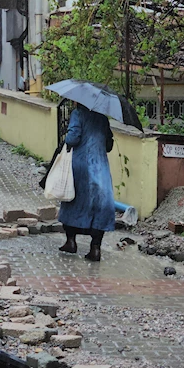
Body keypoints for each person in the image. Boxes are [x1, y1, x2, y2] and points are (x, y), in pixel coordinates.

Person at [57, 104, 116, 261]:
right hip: (101, 167)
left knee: (73, 201)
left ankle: (71, 242)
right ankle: (95, 248)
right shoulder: (103, 118)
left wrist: (67, 139)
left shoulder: (78, 114)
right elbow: (109, 145)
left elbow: (72, 138)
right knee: (100, 205)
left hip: (81, 166)